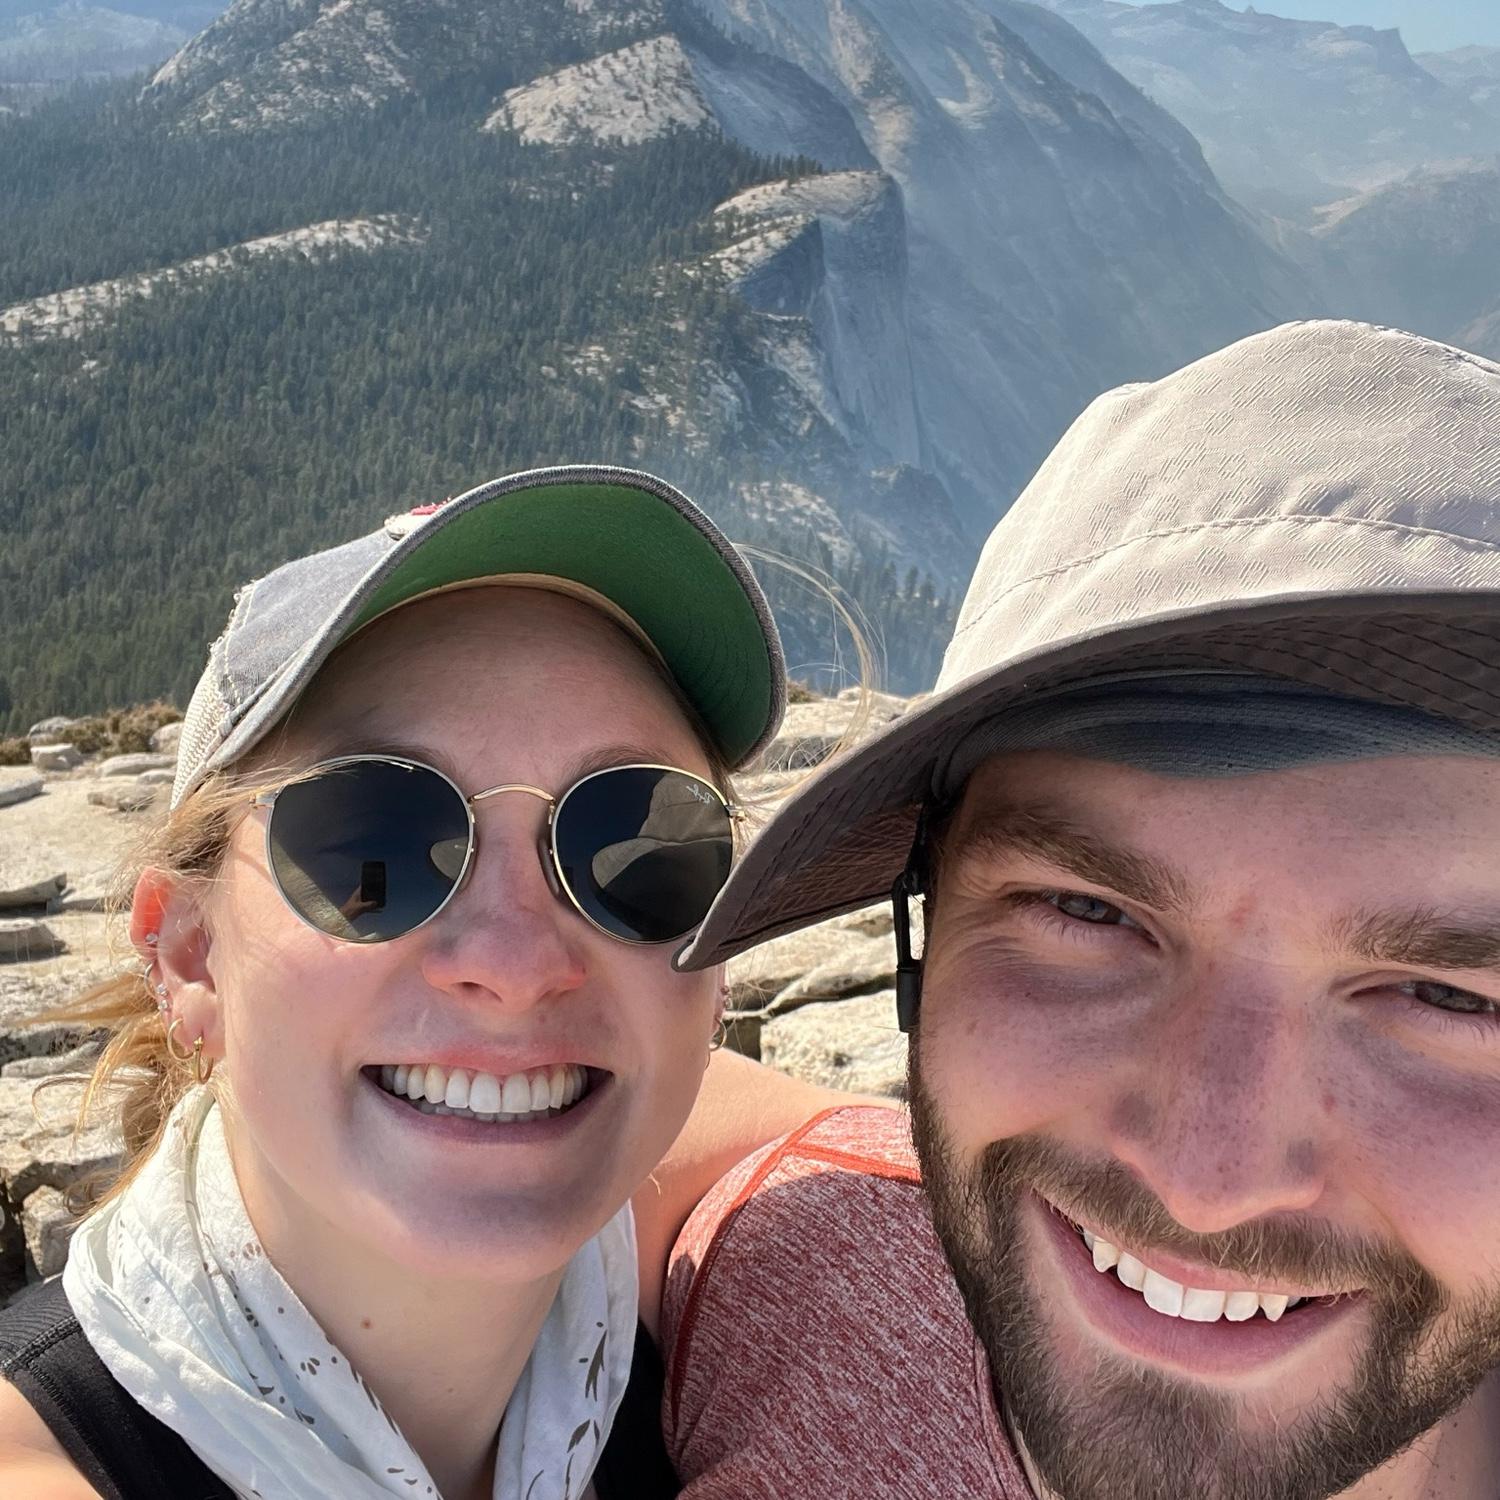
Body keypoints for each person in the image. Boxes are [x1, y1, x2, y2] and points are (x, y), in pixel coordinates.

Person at [657, 321, 1500, 1499]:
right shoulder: (822, 1270)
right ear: (924, 940)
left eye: (1445, 996)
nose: (1206, 1181)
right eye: (1086, 913)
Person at [0, 464, 804, 1500]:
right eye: (373, 851)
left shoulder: (667, 1311)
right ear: (189, 954)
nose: (517, 967)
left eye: (637, 850)